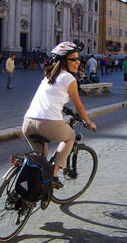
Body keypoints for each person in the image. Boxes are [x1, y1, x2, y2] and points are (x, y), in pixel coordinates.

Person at [22, 41, 96, 188]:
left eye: (78, 58)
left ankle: (32, 193)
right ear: (63, 61)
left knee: (40, 163)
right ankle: (54, 175)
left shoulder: (48, 77)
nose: (78, 62)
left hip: (28, 124)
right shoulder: (69, 79)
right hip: (48, 125)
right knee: (70, 136)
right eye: (73, 59)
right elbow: (80, 107)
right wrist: (89, 123)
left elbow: (51, 99)